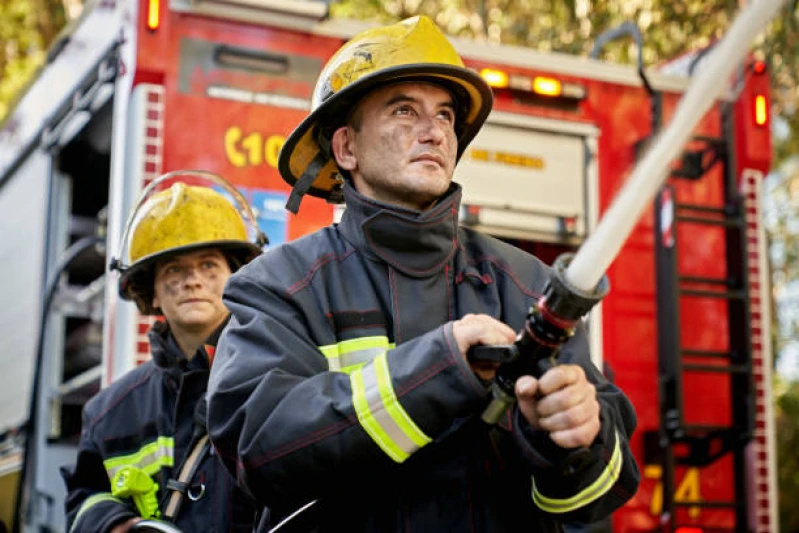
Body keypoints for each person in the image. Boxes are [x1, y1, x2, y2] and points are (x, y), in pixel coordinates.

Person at [207, 15, 640, 532]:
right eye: (404, 110)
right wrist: (438, 367)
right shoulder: (279, 288)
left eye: (445, 115)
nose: (434, 131)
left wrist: (577, 439)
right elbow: (259, 449)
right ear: (346, 148)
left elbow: (594, 504)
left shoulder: (527, 284)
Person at [61, 171, 266, 533]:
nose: (192, 280)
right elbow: (85, 498)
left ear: (236, 277)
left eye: (208, 265)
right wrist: (116, 524)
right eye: (174, 269)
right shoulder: (110, 412)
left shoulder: (277, 377)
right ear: (151, 292)